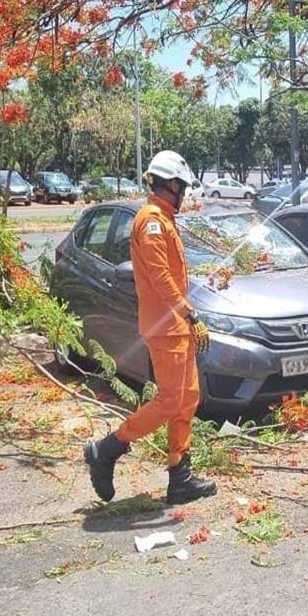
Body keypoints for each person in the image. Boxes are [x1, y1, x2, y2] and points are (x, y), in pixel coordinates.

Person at [83, 150, 217, 505]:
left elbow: (172, 275)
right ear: (171, 184)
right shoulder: (152, 221)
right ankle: (108, 448)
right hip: (168, 326)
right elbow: (160, 277)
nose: (185, 194)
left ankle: (180, 475)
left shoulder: (165, 219)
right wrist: (191, 313)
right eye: (183, 188)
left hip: (176, 325)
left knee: (187, 399)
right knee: (171, 400)